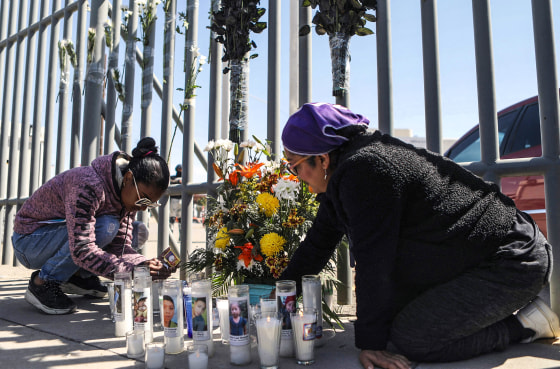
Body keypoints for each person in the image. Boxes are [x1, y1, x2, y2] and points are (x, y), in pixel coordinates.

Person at [279, 103, 560, 369]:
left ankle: (524, 325)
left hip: (512, 261)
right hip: (479, 256)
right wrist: (276, 302)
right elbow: (316, 246)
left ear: (323, 158)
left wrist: (370, 344)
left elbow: (374, 261)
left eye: (294, 166)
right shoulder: (347, 172)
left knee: (412, 339)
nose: (295, 175)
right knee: (391, 322)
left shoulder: (365, 171)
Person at [12, 137, 174, 315]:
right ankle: (43, 284)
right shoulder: (89, 185)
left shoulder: (126, 195)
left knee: (137, 230)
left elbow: (120, 247)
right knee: (107, 226)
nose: (143, 207)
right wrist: (131, 271)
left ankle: (79, 277)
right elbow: (82, 248)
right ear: (128, 178)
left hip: (58, 239)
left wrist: (143, 266)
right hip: (29, 242)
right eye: (143, 199)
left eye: (150, 204)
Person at [169, 164, 182, 236]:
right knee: (172, 216)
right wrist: (177, 182)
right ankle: (171, 233)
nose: (180, 170)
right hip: (174, 198)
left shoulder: (185, 177)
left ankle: (181, 234)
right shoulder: (173, 177)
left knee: (181, 218)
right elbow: (170, 182)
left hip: (182, 199)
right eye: (179, 169)